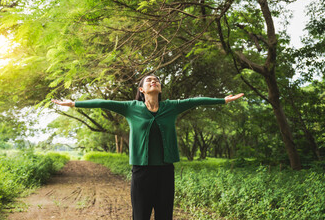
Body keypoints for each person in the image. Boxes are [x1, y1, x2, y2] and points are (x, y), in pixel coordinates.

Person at [52, 74, 244, 220]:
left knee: (164, 215)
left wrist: (223, 100)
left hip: (165, 171)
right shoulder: (130, 108)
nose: (154, 81)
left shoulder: (172, 106)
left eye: (157, 80)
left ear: (160, 88)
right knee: (141, 215)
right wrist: (74, 103)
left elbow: (196, 101)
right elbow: (104, 102)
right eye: (149, 80)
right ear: (142, 90)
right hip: (141, 171)